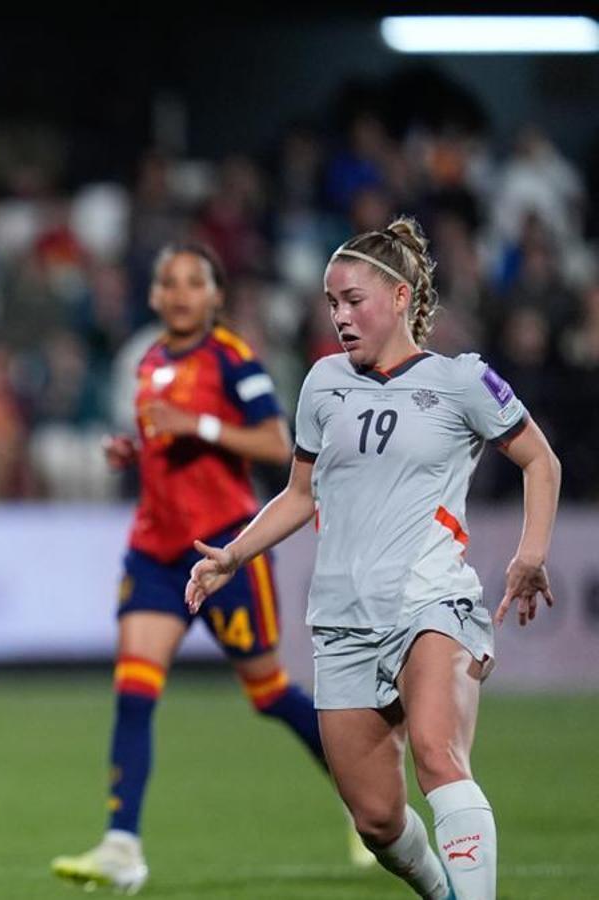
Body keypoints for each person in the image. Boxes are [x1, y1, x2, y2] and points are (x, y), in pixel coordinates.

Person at [186, 217, 561, 900]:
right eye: (331, 303)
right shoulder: (325, 383)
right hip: (343, 617)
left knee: (439, 757)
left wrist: (530, 554)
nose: (340, 317)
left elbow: (541, 458)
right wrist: (234, 554)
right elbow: (300, 495)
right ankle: (444, 891)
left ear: (397, 296)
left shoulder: (462, 380)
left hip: (431, 598)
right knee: (378, 820)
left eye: (353, 300)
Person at [53, 243, 348, 893]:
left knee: (268, 694)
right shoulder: (150, 361)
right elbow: (170, 443)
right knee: (134, 691)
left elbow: (276, 442)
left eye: (195, 282)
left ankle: (368, 797)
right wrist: (136, 449)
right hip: (156, 551)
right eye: (169, 282)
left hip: (226, 551)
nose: (181, 292)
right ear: (155, 296)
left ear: (215, 296)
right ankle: (122, 846)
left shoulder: (234, 360)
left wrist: (199, 426)